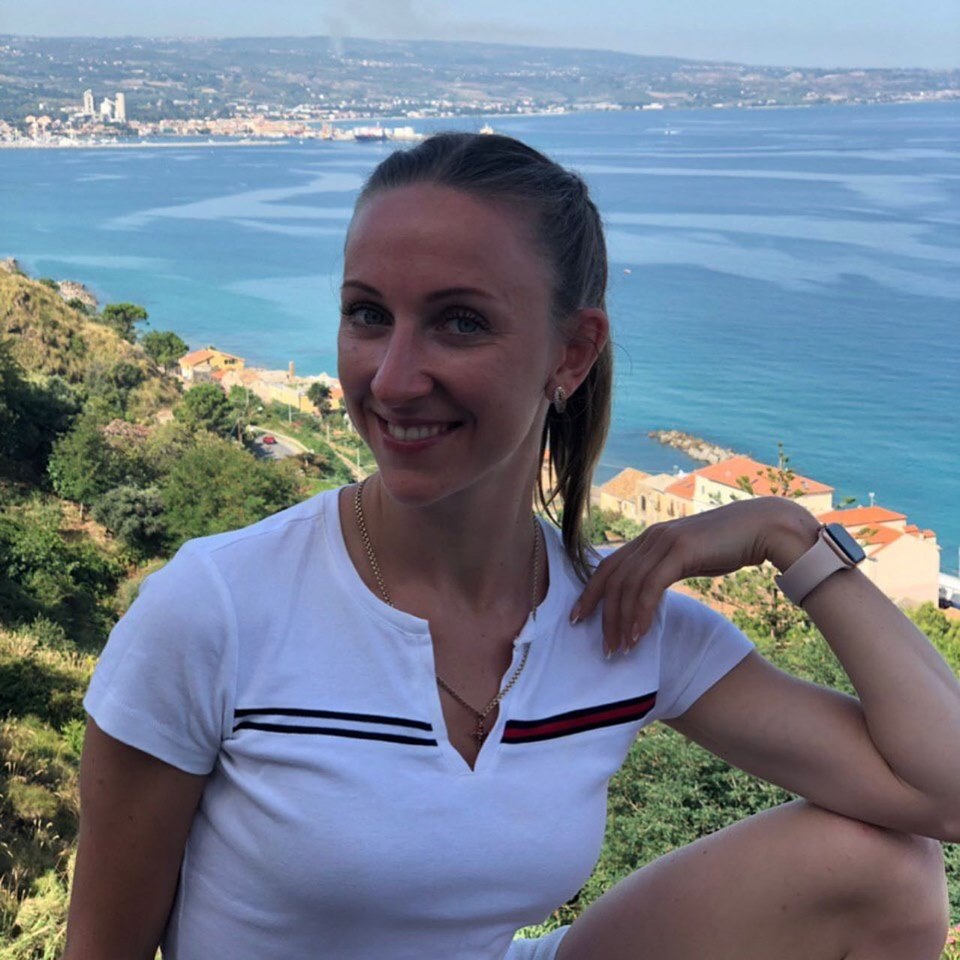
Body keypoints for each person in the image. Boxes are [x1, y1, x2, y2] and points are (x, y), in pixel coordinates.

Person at [63, 132, 958, 960]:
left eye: (459, 321)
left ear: (571, 354)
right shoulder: (217, 609)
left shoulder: (621, 615)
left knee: (888, 868)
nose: (392, 379)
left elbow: (943, 796)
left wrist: (791, 538)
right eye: (368, 315)